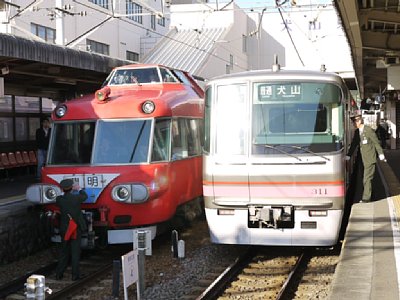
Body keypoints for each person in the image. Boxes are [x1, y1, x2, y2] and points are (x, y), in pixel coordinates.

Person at [346, 113, 386, 203]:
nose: (353, 123)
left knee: (366, 178)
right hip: (362, 159)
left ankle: (366, 198)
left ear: (359, 121)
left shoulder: (368, 130)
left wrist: (381, 154)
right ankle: (372, 195)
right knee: (366, 178)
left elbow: (376, 142)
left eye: (354, 121)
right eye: (353, 122)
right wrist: (349, 155)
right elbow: (354, 144)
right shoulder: (357, 132)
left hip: (369, 158)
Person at [55, 179, 88, 281]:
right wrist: (79, 189)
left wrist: (64, 190)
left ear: (62, 189)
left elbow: (61, 197)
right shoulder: (76, 198)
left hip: (65, 229)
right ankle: (75, 275)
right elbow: (85, 196)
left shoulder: (59, 200)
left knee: (64, 252)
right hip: (75, 228)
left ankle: (59, 274)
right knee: (75, 252)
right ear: (72, 188)